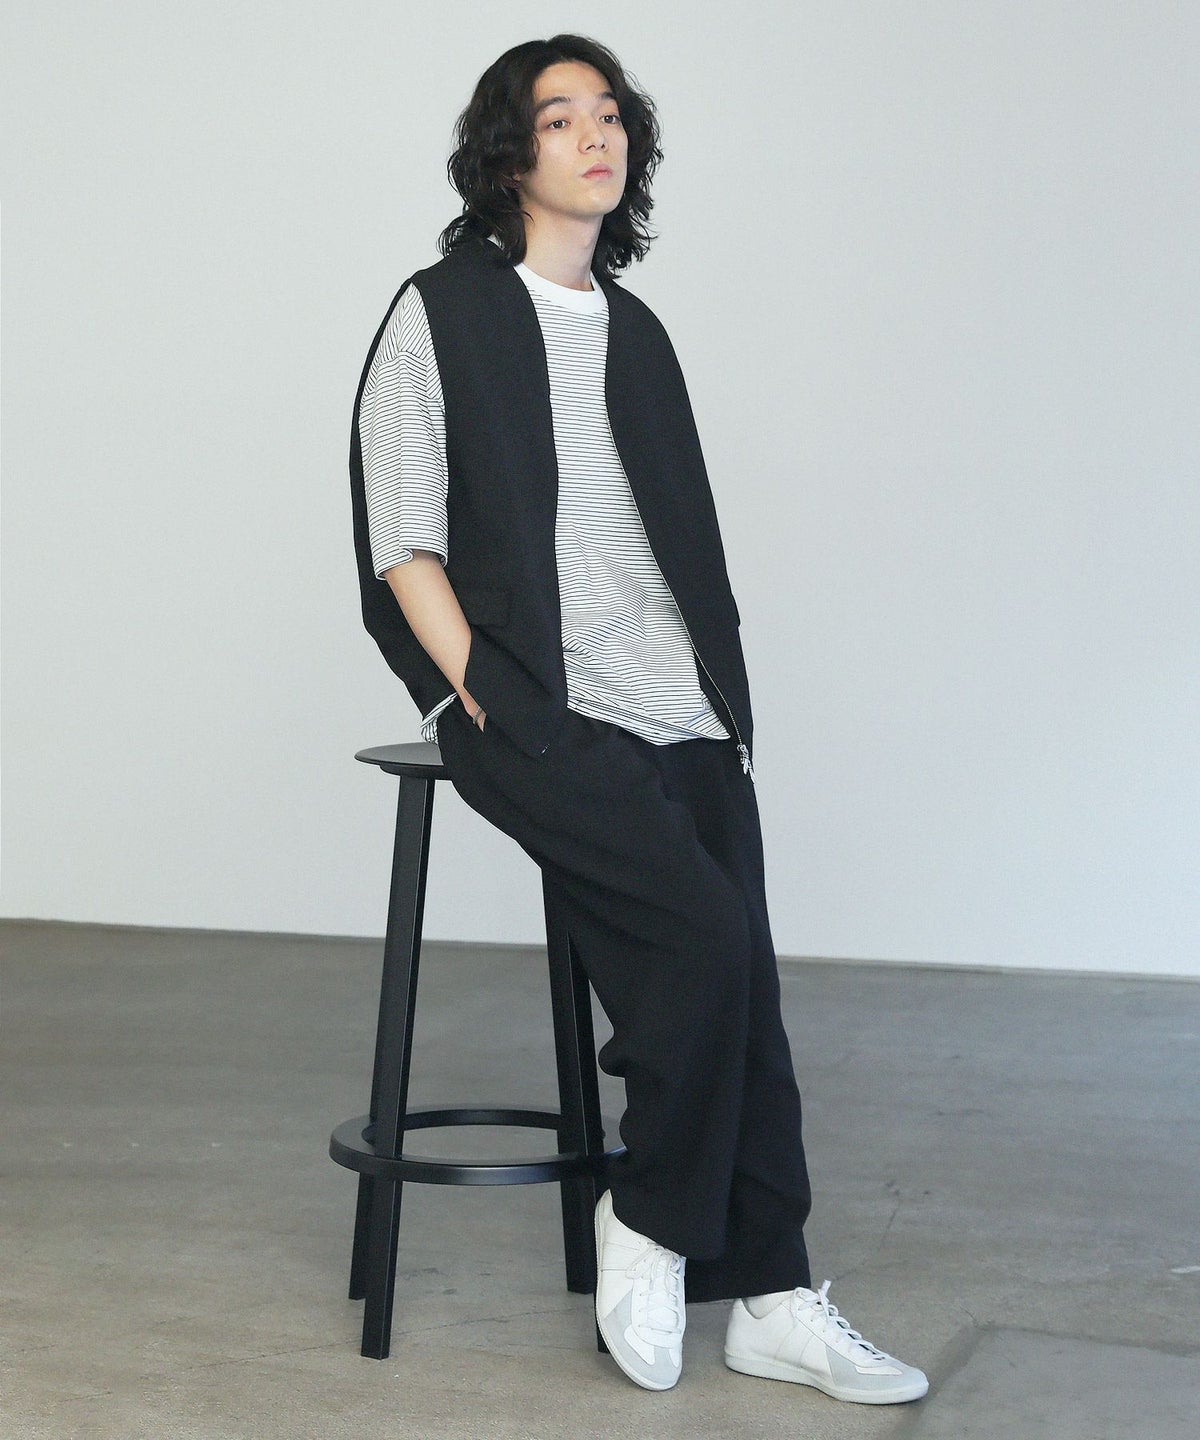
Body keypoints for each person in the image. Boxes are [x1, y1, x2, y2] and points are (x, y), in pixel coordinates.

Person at [349, 33, 928, 1404]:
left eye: (609, 115)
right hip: (537, 705)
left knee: (748, 986)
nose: (594, 136)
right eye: (560, 119)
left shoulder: (637, 330)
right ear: (510, 155)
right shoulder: (440, 311)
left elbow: (672, 545)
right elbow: (401, 538)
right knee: (705, 938)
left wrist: (717, 703)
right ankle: (652, 1219)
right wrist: (490, 695)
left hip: (682, 703)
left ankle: (774, 1294)